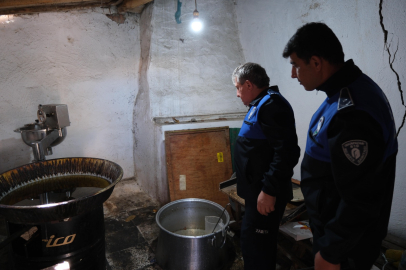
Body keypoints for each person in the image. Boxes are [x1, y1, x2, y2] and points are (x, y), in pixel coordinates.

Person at [282, 22, 398, 270]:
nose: (293, 74)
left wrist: (331, 252)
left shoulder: (352, 113)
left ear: (316, 62)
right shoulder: (345, 92)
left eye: (295, 65)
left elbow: (361, 197)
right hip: (337, 236)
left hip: (347, 249)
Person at [232, 63, 300, 270]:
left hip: (265, 194)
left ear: (249, 84)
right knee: (253, 244)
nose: (237, 94)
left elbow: (287, 152)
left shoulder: (271, 105)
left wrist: (269, 190)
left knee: (257, 247)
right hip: (256, 193)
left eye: (237, 87)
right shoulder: (258, 105)